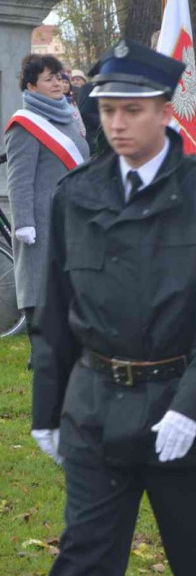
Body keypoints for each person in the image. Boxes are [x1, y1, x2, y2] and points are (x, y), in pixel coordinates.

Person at [26, 38, 196, 576]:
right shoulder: (78, 192)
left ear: (164, 113)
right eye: (106, 111)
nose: (116, 125)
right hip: (96, 404)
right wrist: (46, 408)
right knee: (84, 552)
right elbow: (56, 309)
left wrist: (192, 405)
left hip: (178, 404)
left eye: (130, 111)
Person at [4, 54, 90, 353]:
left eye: (59, 77)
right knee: (40, 285)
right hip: (42, 220)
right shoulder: (24, 125)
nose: (57, 83)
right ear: (31, 85)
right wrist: (24, 222)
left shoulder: (68, 116)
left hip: (73, 217)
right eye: (49, 79)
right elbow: (19, 180)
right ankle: (40, 347)